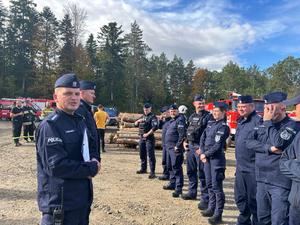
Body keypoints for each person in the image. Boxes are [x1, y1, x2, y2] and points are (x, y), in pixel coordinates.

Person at [36, 73, 100, 225]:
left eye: (77, 94)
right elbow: (56, 166)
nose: (74, 98)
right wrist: (90, 168)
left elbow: (89, 146)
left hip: (80, 201)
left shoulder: (79, 121)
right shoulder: (50, 126)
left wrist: (95, 159)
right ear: (56, 97)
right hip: (60, 206)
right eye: (68, 94)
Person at [246, 91, 300, 225]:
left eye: (271, 108)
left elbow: (279, 143)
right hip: (261, 180)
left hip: (279, 183)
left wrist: (268, 122)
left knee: (279, 221)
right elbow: (249, 142)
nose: (268, 111)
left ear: (282, 108)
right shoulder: (263, 123)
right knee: (262, 219)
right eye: (266, 108)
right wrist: (268, 149)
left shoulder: (291, 125)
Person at [199, 102, 230, 224]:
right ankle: (211, 208)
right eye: (214, 111)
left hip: (217, 160)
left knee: (217, 187)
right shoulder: (210, 123)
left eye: (218, 111)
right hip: (207, 159)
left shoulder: (223, 127)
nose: (215, 113)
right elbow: (203, 138)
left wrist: (205, 154)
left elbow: (217, 146)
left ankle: (218, 214)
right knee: (209, 184)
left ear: (223, 113)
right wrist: (202, 152)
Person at [234, 95, 262, 225]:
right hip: (240, 168)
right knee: (240, 198)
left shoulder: (258, 121)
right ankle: (243, 221)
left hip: (253, 169)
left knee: (254, 201)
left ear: (252, 106)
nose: (241, 109)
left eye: (243, 106)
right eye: (239, 107)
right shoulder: (240, 121)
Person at [182, 95, 210, 211]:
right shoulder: (191, 116)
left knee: (202, 174)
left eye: (203, 103)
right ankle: (192, 192)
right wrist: (185, 141)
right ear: (194, 104)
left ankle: (205, 199)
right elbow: (188, 131)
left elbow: (209, 134)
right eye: (199, 103)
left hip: (200, 148)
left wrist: (203, 149)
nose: (201, 104)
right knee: (190, 171)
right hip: (190, 147)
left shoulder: (208, 117)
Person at [280, 93, 300, 225]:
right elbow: (283, 160)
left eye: (296, 106)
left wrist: (293, 163)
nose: (293, 110)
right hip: (296, 200)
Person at [163, 104, 186, 198]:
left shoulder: (180, 120)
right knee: (169, 166)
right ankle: (172, 183)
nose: (173, 112)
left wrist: (178, 146)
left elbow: (182, 135)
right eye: (171, 111)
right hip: (169, 148)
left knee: (176, 167)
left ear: (177, 111)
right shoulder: (171, 121)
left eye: (174, 111)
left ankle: (178, 188)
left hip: (175, 149)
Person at [76, 80, 101, 159]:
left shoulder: (86, 109)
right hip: (86, 157)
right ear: (82, 93)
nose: (94, 96)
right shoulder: (80, 109)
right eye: (91, 93)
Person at [134, 103, 159, 179]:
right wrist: (137, 121)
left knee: (150, 155)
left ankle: (152, 172)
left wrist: (147, 134)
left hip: (149, 138)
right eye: (144, 110)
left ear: (150, 109)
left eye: (147, 109)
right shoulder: (143, 116)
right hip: (142, 138)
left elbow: (155, 127)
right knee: (142, 154)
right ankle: (143, 169)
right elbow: (135, 124)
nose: (145, 111)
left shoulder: (153, 117)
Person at [158, 106, 171, 180]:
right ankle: (165, 174)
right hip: (164, 144)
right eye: (163, 112)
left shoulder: (172, 120)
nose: (164, 114)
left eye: (165, 112)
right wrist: (160, 120)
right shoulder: (164, 121)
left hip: (170, 144)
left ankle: (169, 175)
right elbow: (159, 127)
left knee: (169, 161)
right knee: (164, 160)